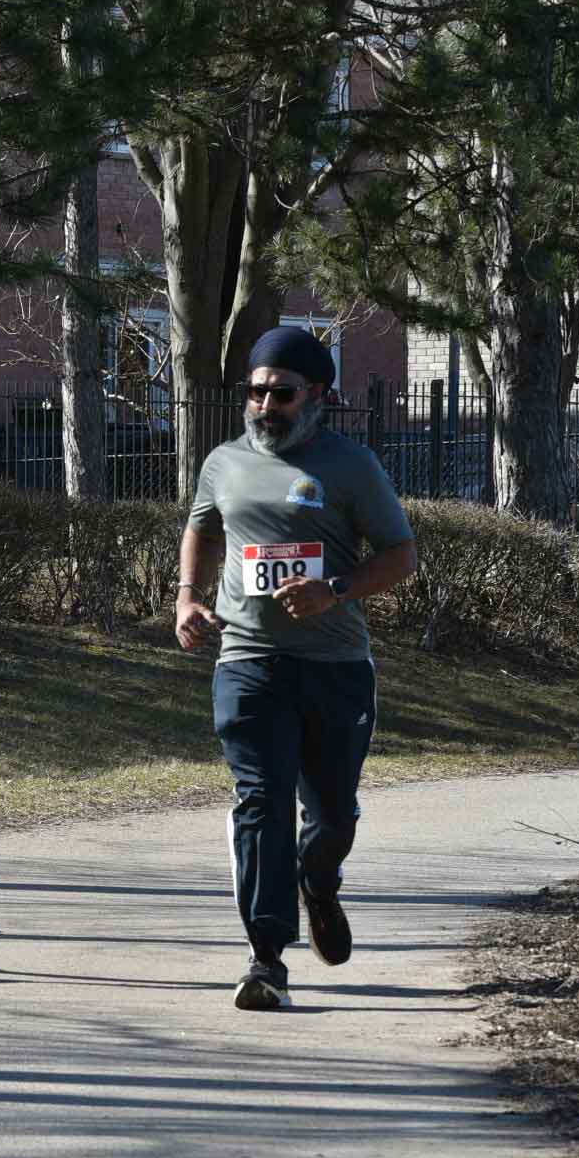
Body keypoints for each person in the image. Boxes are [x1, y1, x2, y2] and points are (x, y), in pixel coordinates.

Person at [176, 326, 418, 1011]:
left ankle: (320, 881)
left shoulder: (351, 465)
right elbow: (202, 527)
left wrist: (333, 590)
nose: (265, 406)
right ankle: (266, 957)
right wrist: (188, 597)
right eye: (255, 393)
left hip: (334, 664)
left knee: (332, 813)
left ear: (318, 396)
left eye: (281, 394)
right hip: (248, 659)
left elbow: (400, 555)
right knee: (262, 800)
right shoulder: (224, 462)